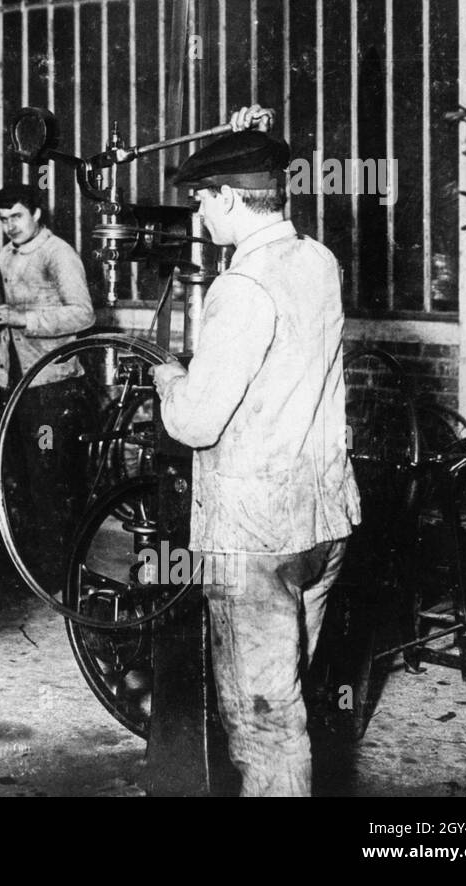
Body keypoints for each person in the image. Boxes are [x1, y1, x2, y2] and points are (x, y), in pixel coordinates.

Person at [151, 104, 361, 797]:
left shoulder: (239, 287)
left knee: (266, 724)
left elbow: (196, 423)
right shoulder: (320, 262)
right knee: (291, 686)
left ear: (233, 198)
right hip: (323, 522)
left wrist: (169, 377)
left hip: (255, 540)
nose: (201, 217)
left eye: (205, 200)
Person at [0, 183, 95, 585]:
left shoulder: (58, 253)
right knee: (20, 479)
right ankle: (32, 570)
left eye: (17, 217)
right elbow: (3, 309)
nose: (9, 226)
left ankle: (60, 575)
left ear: (37, 214)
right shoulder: (7, 254)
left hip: (51, 386)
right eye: (3, 219)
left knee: (51, 481)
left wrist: (21, 318)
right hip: (14, 384)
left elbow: (83, 315)